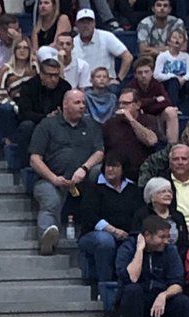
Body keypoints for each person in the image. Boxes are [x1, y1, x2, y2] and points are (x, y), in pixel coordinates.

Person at [29, 90, 104, 255]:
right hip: (51, 179)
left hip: (82, 180)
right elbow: (35, 159)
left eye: (83, 103)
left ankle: (101, 227)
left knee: (99, 173)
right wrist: (54, 178)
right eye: (77, 103)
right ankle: (47, 238)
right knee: (50, 200)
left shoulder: (91, 125)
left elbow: (99, 152)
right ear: (65, 105)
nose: (82, 106)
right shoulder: (47, 125)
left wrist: (84, 168)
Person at [116, 215, 189, 317]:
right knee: (132, 290)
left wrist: (164, 295)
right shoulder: (128, 247)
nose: (166, 241)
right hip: (138, 298)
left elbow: (178, 283)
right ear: (147, 236)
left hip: (160, 297)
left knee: (182, 301)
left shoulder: (170, 250)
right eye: (162, 237)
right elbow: (132, 278)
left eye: (167, 237)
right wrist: (140, 250)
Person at [76, 151, 144, 290]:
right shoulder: (94, 188)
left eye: (114, 166)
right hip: (94, 235)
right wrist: (112, 230)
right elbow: (88, 215)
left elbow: (139, 215)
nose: (110, 169)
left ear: (123, 169)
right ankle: (104, 285)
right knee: (105, 240)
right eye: (107, 166)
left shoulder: (133, 190)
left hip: (126, 234)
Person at [132, 176, 188, 262]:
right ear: (152, 196)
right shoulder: (142, 215)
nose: (168, 194)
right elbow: (136, 240)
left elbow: (184, 243)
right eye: (163, 191)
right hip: (148, 260)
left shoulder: (178, 216)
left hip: (176, 260)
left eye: (170, 191)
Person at [72, 9, 131, 85]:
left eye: (89, 22)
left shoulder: (106, 36)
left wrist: (118, 79)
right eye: (82, 22)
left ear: (94, 23)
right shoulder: (72, 43)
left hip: (106, 86)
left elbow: (127, 57)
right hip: (83, 87)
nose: (86, 25)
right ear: (76, 24)